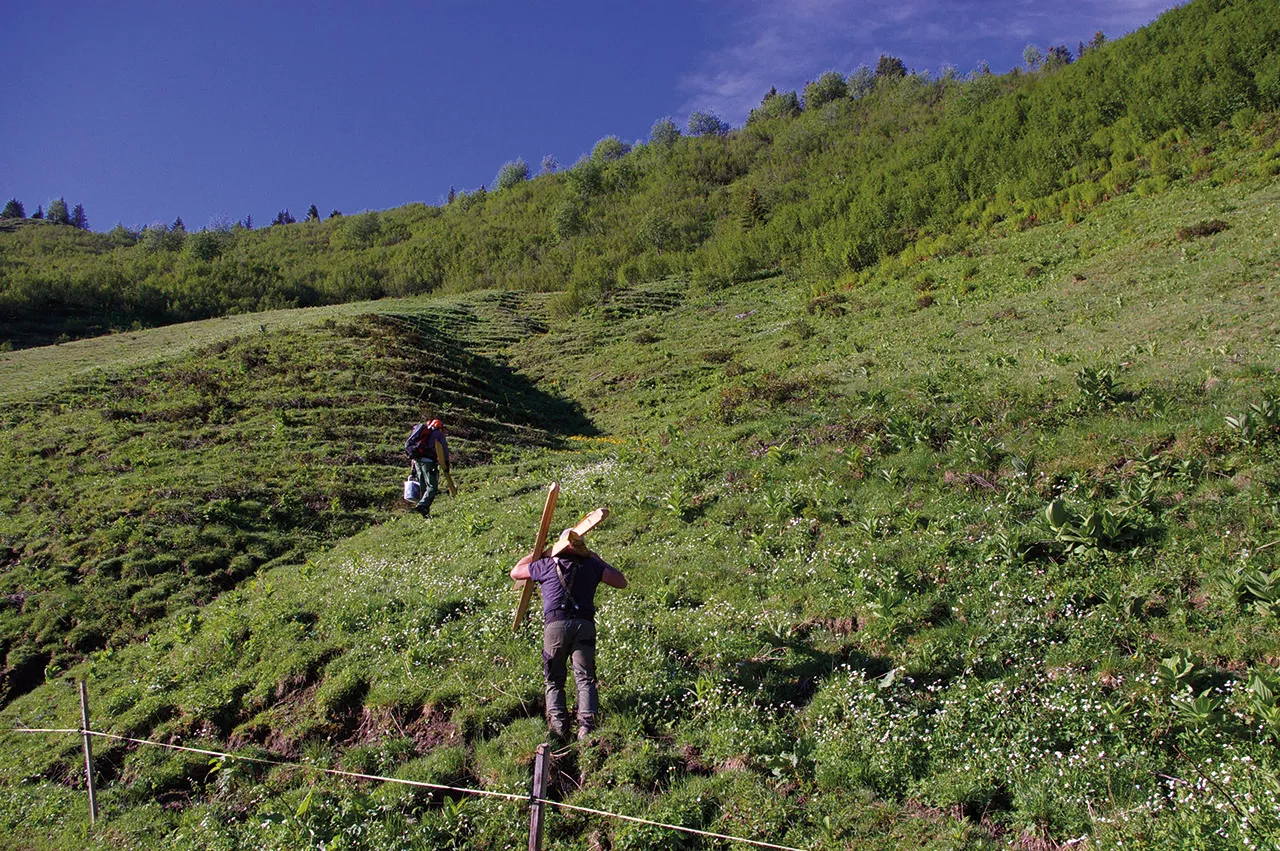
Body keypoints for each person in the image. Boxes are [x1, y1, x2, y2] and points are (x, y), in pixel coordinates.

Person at [510, 527, 627, 742]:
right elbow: (621, 581)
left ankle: (559, 729)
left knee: (554, 679)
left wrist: (541, 553)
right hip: (584, 624)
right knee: (585, 678)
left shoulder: (545, 564)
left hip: (555, 626)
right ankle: (587, 729)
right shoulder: (592, 565)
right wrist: (596, 557)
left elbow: (516, 572)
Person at [408, 419, 450, 517]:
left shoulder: (422, 434)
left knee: (423, 486)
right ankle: (422, 505)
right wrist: (446, 463)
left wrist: (413, 470)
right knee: (432, 487)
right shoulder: (438, 435)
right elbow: (444, 449)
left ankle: (424, 512)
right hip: (429, 463)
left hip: (417, 462)